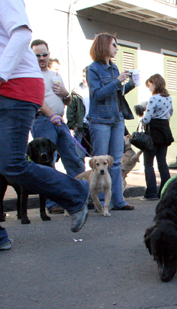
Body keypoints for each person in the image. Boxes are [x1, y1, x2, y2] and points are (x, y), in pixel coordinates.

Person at [0, 0, 90, 251]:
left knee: (12, 164)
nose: (43, 57)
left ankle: (75, 192)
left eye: (44, 54)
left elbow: (21, 33)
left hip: (15, 88)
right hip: (12, 89)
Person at [31, 39, 84, 214]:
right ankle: (53, 204)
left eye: (44, 54)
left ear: (48, 54)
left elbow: (67, 100)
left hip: (59, 121)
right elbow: (36, 100)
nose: (41, 58)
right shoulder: (31, 74)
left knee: (73, 159)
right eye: (37, 55)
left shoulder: (55, 74)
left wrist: (66, 94)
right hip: (42, 120)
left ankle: (79, 197)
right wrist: (51, 114)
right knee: (47, 163)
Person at [86, 33, 135, 210]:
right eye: (114, 44)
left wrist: (130, 84)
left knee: (115, 162)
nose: (116, 48)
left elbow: (117, 93)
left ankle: (117, 200)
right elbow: (97, 94)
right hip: (100, 120)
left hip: (117, 118)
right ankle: (99, 201)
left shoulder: (114, 68)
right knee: (99, 162)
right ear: (104, 46)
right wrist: (117, 81)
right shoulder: (93, 69)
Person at [140, 74, 174, 201]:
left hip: (153, 131)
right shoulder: (169, 98)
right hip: (165, 131)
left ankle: (151, 193)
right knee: (162, 162)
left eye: (150, 85)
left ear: (155, 84)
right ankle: (165, 191)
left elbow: (147, 118)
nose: (149, 88)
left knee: (148, 163)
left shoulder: (153, 99)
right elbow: (171, 113)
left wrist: (142, 118)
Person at [67, 66, 91, 171]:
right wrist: (74, 126)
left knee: (97, 158)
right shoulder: (77, 92)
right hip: (81, 128)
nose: (85, 78)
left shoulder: (97, 91)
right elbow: (70, 110)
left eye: (87, 76)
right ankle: (81, 183)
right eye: (83, 76)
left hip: (95, 127)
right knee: (78, 158)